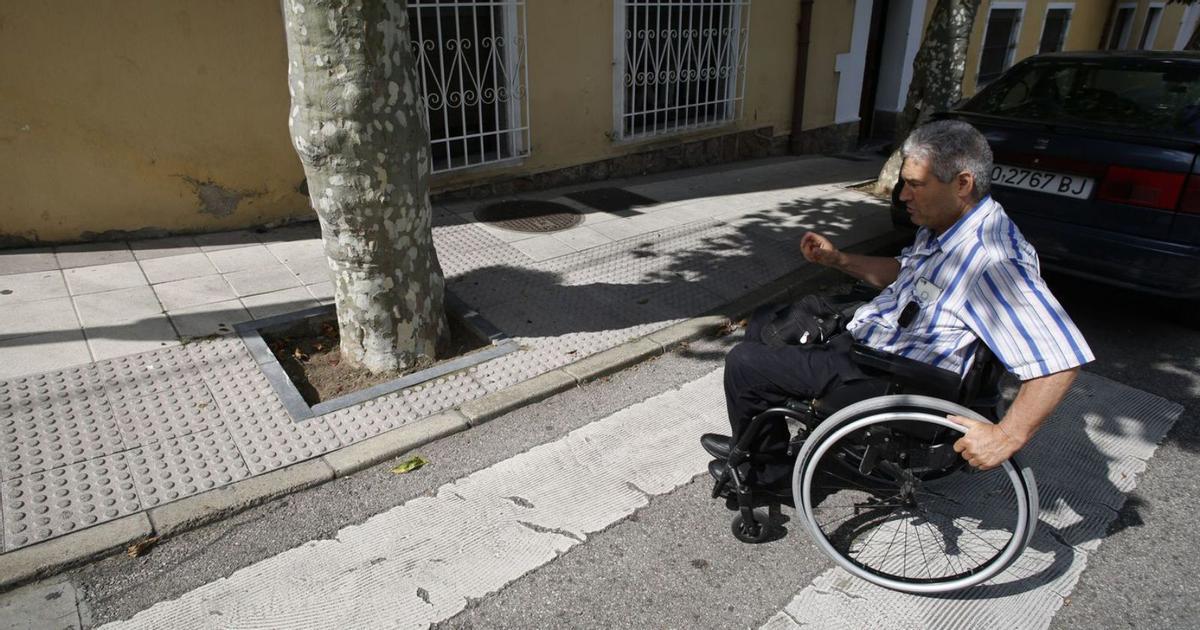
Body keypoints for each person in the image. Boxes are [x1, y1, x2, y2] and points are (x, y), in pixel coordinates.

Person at [704, 119, 1094, 484]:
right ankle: (753, 444)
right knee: (768, 321)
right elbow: (903, 271)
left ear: (962, 183)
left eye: (915, 184)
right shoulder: (949, 226)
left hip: (891, 376)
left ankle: (767, 474)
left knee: (745, 362)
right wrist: (838, 260)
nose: (902, 195)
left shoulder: (992, 262)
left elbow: (1059, 361)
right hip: (880, 344)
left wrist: (1006, 436)